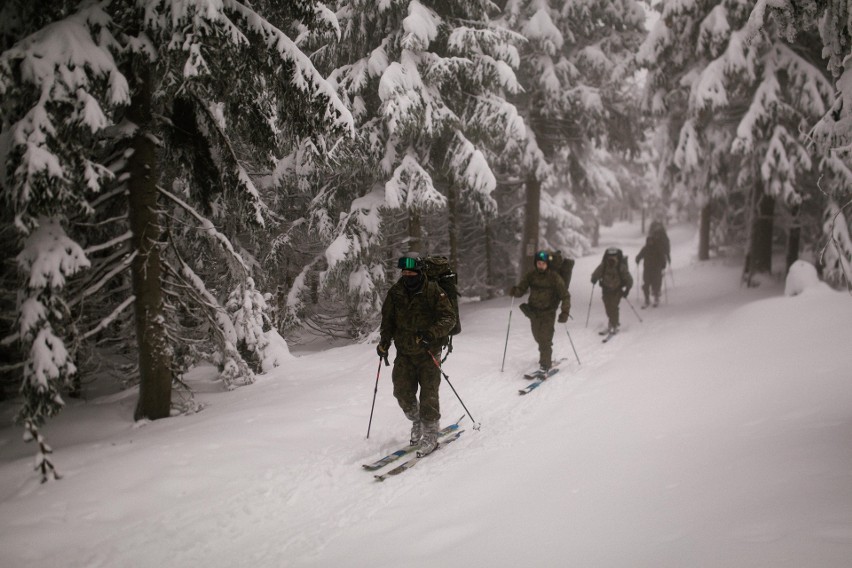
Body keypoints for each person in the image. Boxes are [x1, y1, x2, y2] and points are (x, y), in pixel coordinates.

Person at [376, 255, 457, 455]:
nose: (407, 275)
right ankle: (417, 421)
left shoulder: (432, 290)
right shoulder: (396, 292)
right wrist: (384, 342)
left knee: (429, 394)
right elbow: (388, 320)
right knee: (401, 392)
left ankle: (430, 433)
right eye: (404, 272)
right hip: (404, 351)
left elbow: (449, 318)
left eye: (411, 272)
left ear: (419, 273)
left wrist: (431, 333)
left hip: (429, 351)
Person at [509, 250, 571, 371]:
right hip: (534, 312)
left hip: (548, 312)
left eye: (543, 263)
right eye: (538, 263)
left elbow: (565, 296)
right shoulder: (531, 275)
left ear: (547, 264)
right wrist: (515, 292)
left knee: (545, 339)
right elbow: (521, 289)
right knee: (537, 337)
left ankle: (545, 365)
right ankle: (545, 358)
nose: (540, 265)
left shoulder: (554, 277)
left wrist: (565, 312)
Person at [591, 247, 633, 334]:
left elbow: (629, 279)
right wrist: (594, 278)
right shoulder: (604, 265)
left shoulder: (621, 267)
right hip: (606, 290)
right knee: (608, 307)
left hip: (617, 290)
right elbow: (596, 273)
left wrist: (627, 290)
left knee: (613, 307)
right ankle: (612, 322)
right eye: (609, 258)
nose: (611, 260)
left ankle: (614, 324)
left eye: (613, 258)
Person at [636, 222, 671, 308]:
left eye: (652, 241)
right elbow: (640, 255)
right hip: (647, 269)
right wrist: (637, 259)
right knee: (646, 285)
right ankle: (647, 299)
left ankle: (656, 298)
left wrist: (663, 265)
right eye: (649, 241)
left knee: (656, 284)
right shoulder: (645, 248)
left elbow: (662, 257)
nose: (650, 242)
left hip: (656, 269)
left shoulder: (657, 248)